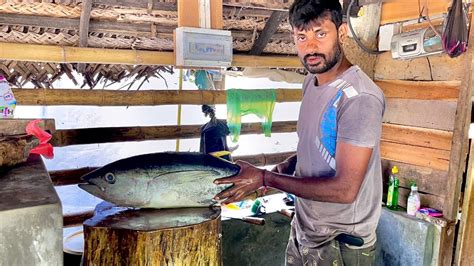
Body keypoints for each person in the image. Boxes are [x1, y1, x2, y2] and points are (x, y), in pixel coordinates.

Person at [214, 0, 385, 265]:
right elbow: (319, 144)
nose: (310, 47)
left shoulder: (359, 97)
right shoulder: (311, 81)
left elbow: (345, 190)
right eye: (301, 37)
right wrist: (289, 164)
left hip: (340, 243)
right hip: (306, 229)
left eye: (320, 34)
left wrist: (265, 178)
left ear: (341, 33)